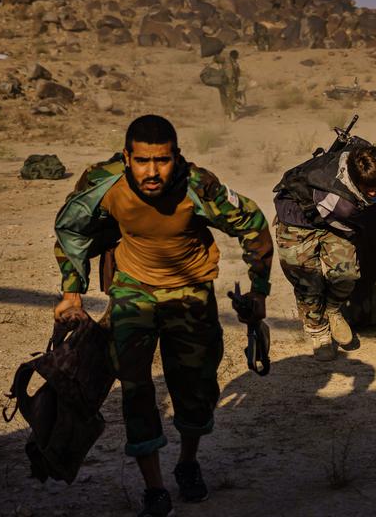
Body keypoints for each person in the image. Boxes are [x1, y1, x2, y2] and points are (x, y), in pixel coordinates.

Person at [53, 114, 273, 517]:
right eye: (142, 161)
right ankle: (154, 488)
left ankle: (188, 462)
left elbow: (254, 224)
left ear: (177, 157)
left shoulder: (198, 186)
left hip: (190, 291)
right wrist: (72, 292)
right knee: (135, 387)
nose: (152, 171)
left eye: (162, 160)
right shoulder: (103, 182)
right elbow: (72, 228)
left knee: (194, 387)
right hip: (132, 288)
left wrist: (259, 292)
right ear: (126, 157)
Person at [273, 141, 376, 361]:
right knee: (309, 283)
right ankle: (318, 331)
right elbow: (356, 225)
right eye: (369, 189)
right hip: (296, 221)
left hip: (330, 219)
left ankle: (332, 309)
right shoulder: (340, 201)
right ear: (354, 181)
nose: (375, 192)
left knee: (346, 273)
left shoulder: (365, 163)